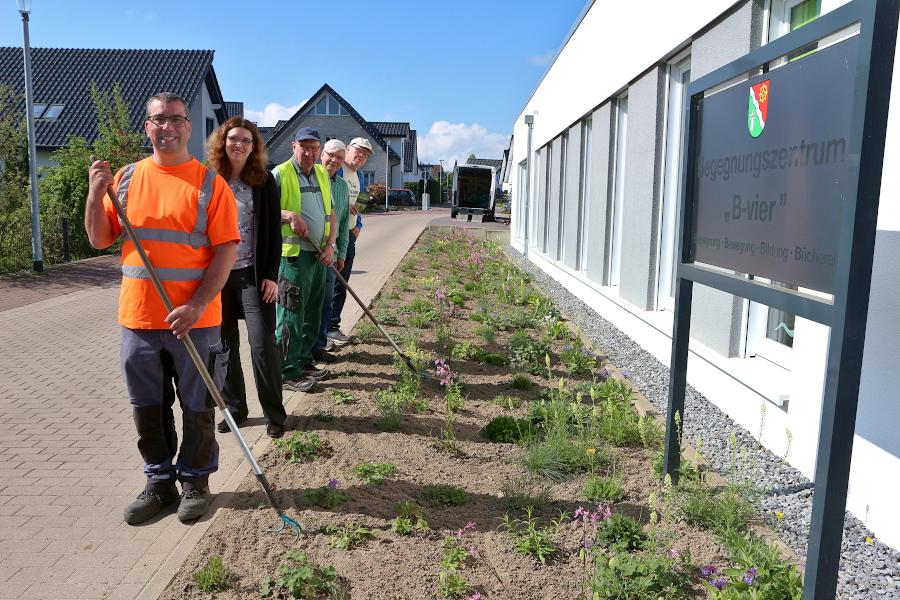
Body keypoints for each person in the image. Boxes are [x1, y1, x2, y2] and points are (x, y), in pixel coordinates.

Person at [85, 92, 239, 525]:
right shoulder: (128, 178)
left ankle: (195, 481)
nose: (167, 127)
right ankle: (159, 482)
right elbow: (99, 238)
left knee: (197, 405)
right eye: (158, 120)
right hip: (138, 319)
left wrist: (196, 305)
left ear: (189, 127)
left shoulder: (210, 184)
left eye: (175, 119)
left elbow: (226, 250)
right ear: (147, 126)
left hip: (196, 321)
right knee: (147, 405)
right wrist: (96, 193)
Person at [207, 117, 287, 439]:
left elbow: (273, 235)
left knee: (262, 343)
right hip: (218, 278)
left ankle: (275, 414)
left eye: (246, 140)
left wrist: (271, 276)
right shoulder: (210, 179)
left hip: (253, 276)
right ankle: (236, 410)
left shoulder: (264, 181)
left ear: (254, 147)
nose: (238, 144)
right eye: (233, 139)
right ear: (222, 143)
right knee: (224, 345)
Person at [274, 127, 337, 391]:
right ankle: (287, 371)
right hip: (293, 258)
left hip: (318, 255)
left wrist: (331, 245)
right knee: (291, 314)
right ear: (294, 147)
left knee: (313, 310)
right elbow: (263, 211)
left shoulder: (322, 173)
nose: (310, 152)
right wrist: (289, 215)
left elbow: (331, 212)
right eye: (305, 147)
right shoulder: (280, 173)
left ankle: (303, 360)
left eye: (314, 147)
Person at [327, 137, 372, 344]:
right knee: (329, 283)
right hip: (331, 235)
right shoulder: (337, 169)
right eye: (358, 151)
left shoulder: (359, 175)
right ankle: (324, 329)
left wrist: (359, 224)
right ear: (348, 149)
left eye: (365, 154)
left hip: (349, 234)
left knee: (341, 283)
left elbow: (358, 202)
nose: (361, 156)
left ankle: (332, 326)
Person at [311, 140, 350, 363]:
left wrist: (341, 252)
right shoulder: (313, 176)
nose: (334, 161)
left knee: (326, 302)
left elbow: (343, 222)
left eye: (339, 158)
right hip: (309, 252)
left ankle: (319, 345)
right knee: (309, 304)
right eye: (331, 155)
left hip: (331, 255)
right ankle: (303, 352)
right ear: (322, 154)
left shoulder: (343, 186)